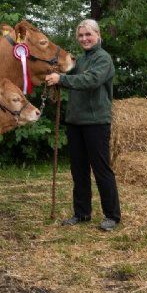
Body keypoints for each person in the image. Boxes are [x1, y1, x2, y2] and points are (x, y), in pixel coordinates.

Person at [45, 19, 121, 231]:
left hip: (96, 122)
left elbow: (90, 81)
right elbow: (67, 72)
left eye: (88, 34)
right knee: (78, 170)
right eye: (81, 36)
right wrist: (54, 72)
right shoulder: (79, 60)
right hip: (75, 122)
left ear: (97, 35)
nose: (84, 39)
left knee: (101, 170)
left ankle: (112, 216)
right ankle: (82, 213)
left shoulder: (103, 59)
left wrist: (61, 79)